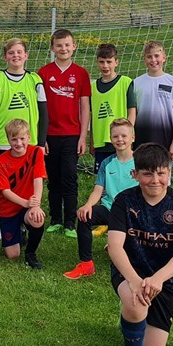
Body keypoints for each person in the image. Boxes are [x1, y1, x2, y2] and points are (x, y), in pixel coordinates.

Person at [106, 141, 173, 346]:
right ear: (135, 175)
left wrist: (157, 279)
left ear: (169, 172)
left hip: (163, 279)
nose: (155, 179)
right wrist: (134, 281)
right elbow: (114, 246)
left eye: (161, 173)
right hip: (129, 273)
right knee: (136, 304)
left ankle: (130, 318)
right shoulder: (124, 201)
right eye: (147, 173)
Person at [64, 117, 135, 280]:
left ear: (132, 137)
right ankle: (86, 264)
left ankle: (119, 245)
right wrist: (88, 205)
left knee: (131, 256)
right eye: (116, 136)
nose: (120, 140)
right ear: (111, 139)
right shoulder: (107, 163)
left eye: (124, 136)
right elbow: (98, 190)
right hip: (110, 209)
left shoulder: (140, 162)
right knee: (84, 217)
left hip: (133, 213)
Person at [37, 27, 91, 233]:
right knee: (53, 178)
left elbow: (85, 106)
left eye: (67, 45)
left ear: (74, 46)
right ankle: (55, 219)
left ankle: (70, 222)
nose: (63, 48)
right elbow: (39, 108)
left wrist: (83, 136)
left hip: (72, 135)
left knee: (69, 176)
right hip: (50, 135)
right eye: (59, 45)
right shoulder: (44, 72)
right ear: (52, 48)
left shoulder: (81, 73)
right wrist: (42, 138)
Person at [0, 117, 47, 269]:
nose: (18, 143)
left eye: (22, 139)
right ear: (8, 140)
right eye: (14, 139)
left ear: (29, 138)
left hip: (29, 205)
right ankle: (20, 232)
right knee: (12, 255)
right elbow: (5, 191)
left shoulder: (36, 152)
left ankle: (30, 254)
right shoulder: (1, 161)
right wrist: (25, 202)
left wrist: (35, 205)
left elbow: (38, 179)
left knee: (37, 219)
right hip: (9, 209)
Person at [0, 37, 47, 156]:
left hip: (29, 142)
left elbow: (43, 114)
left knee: (28, 175)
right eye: (11, 53)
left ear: (26, 55)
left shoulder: (35, 80)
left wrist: (41, 143)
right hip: (3, 142)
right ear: (5, 57)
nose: (15, 55)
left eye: (19, 52)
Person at [132, 40, 173, 162]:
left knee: (163, 177)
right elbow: (133, 113)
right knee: (143, 175)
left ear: (164, 58)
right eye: (149, 57)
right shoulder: (136, 83)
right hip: (141, 140)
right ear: (144, 59)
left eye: (156, 56)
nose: (153, 60)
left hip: (165, 139)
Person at [88, 43, 136, 168]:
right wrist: (92, 142)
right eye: (101, 62)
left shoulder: (125, 82)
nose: (105, 66)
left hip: (120, 141)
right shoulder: (93, 87)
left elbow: (132, 112)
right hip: (101, 143)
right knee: (103, 179)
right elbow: (93, 116)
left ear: (116, 62)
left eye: (109, 62)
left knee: (121, 178)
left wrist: (129, 137)